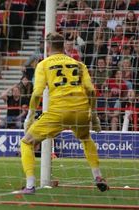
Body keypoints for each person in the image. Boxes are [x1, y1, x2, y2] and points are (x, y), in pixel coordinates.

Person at [18, 33, 108, 194]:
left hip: (58, 111)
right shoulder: (79, 64)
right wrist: (94, 117)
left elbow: (37, 92)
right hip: (81, 110)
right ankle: (97, 176)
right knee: (86, 139)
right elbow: (92, 91)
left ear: (48, 47)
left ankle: (30, 185)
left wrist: (30, 117)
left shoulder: (44, 64)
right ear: (63, 46)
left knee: (26, 142)